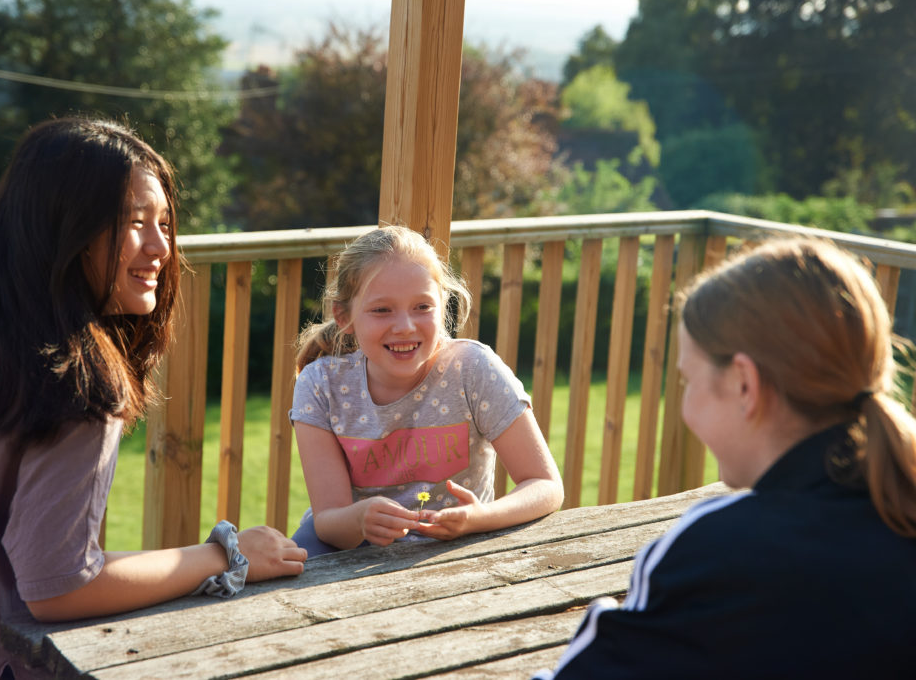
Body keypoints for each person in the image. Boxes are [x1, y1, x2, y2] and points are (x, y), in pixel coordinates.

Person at [0, 117, 306, 680]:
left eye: (164, 222)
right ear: (64, 227)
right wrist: (227, 556)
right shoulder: (76, 379)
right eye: (134, 223)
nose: (161, 247)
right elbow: (60, 586)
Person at [535, 238, 916, 679]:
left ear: (743, 384)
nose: (684, 402)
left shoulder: (717, 550)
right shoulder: (897, 508)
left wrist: (604, 626)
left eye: (686, 380)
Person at [288, 225, 564, 556]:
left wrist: (479, 518)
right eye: (381, 310)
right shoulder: (320, 384)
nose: (405, 326)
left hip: (457, 549)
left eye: (422, 307)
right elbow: (329, 522)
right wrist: (360, 520)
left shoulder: (473, 369)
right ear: (345, 316)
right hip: (349, 553)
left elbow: (545, 485)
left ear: (443, 305)